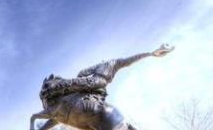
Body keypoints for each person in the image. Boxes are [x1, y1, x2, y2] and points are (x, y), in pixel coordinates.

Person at [40, 44, 174, 102]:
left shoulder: (116, 62)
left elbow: (131, 59)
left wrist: (150, 53)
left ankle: (51, 91)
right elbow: (83, 72)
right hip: (96, 81)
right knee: (74, 85)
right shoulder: (101, 64)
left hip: (99, 81)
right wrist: (81, 75)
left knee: (69, 82)